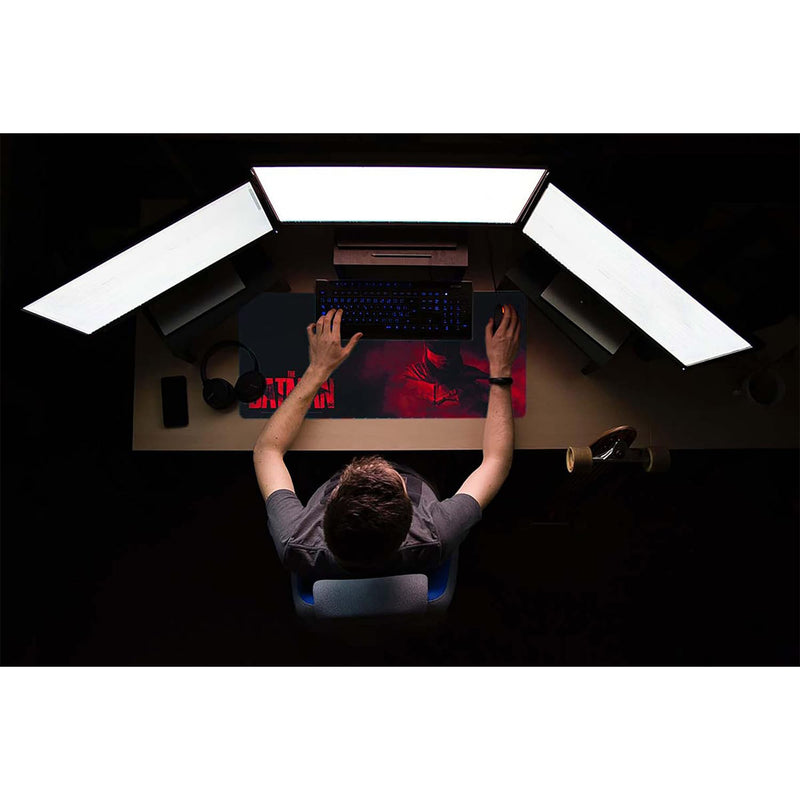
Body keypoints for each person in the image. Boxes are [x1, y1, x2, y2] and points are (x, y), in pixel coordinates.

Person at [252, 305, 521, 579]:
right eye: (397, 482)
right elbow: (496, 461)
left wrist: (318, 368)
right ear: (409, 517)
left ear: (330, 501)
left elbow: (267, 451)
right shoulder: (435, 533)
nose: (381, 462)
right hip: (426, 465)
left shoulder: (294, 541)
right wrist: (501, 369)